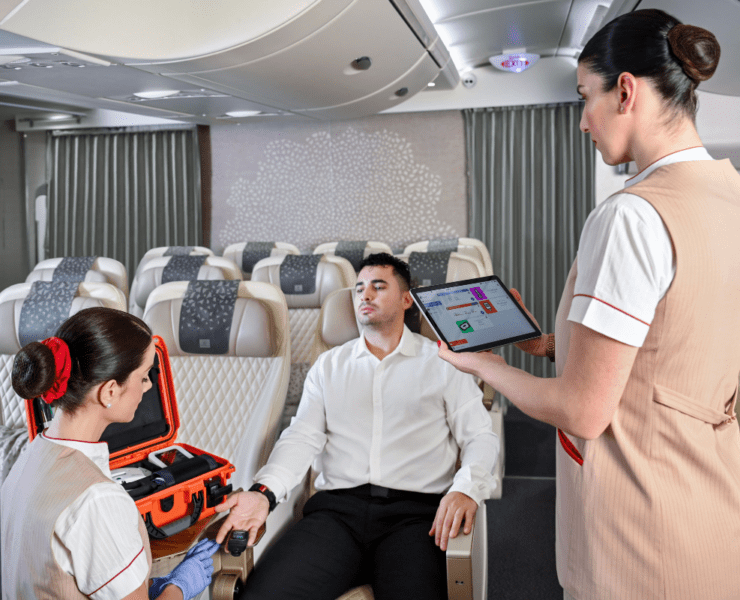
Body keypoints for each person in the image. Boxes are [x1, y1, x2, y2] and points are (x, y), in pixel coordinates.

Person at [438, 8, 740, 600]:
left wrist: (485, 364)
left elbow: (583, 412)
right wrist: (551, 347)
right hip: (711, 507)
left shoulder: (631, 215)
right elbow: (678, 348)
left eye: (584, 97)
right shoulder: (730, 195)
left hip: (640, 530)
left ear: (625, 90)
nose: (582, 122)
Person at [215, 253, 498, 600]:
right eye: (359, 288)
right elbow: (302, 437)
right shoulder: (329, 366)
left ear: (407, 300)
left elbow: (480, 436)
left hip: (415, 519)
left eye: (379, 287)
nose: (365, 295)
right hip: (336, 515)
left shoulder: (442, 363)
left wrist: (466, 488)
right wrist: (264, 493)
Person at [1, 307, 220, 600]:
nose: (150, 385)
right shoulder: (97, 500)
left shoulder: (29, 457)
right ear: (109, 392)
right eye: (143, 376)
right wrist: (177, 587)